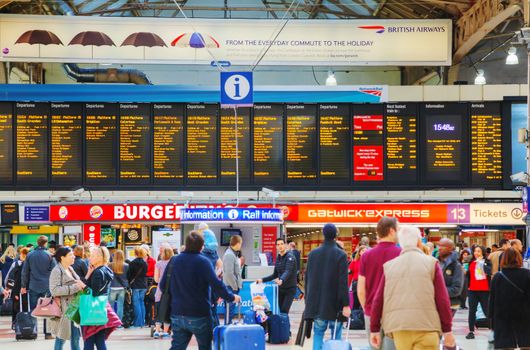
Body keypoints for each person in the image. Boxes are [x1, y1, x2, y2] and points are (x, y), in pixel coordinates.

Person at [369, 226, 455, 350]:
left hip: (400, 328)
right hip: (427, 326)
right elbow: (442, 299)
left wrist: (374, 330)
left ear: (401, 243)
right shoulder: (431, 264)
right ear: (419, 242)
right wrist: (447, 330)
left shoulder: (389, 267)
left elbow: (378, 300)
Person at [159, 231, 241, 350]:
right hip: (199, 314)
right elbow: (216, 285)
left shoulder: (174, 261)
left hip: (178, 313)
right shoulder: (203, 262)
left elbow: (162, 286)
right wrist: (232, 297)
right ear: (201, 246)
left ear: (186, 244)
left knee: (177, 347)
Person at [304, 223, 350, 350]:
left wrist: (308, 302)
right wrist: (346, 304)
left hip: (318, 305)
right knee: (336, 336)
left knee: (318, 334)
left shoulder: (313, 254)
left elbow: (308, 279)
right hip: (335, 306)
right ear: (336, 235)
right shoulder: (341, 255)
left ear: (323, 234)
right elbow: (343, 282)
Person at [358, 217, 401, 350]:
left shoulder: (366, 256)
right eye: (398, 230)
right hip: (394, 314)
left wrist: (367, 309)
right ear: (392, 231)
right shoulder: (401, 254)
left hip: (371, 313)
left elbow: (360, 289)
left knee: (374, 347)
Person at [489, 248, 530, 349]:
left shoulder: (497, 277)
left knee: (506, 346)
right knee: (526, 344)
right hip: (525, 316)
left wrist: (491, 321)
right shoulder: (527, 274)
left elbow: (492, 302)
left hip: (503, 318)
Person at [82, 246, 121, 350]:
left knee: (89, 340)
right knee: (100, 340)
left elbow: (94, 293)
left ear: (100, 257)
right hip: (102, 308)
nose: (90, 258)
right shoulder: (107, 270)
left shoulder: (97, 272)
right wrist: (89, 273)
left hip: (92, 310)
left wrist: (83, 286)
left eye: (93, 256)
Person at [49, 247, 86, 350]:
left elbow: (79, 283)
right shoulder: (56, 270)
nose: (73, 256)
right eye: (70, 255)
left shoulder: (70, 268)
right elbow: (54, 290)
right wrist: (75, 288)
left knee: (75, 338)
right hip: (64, 309)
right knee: (61, 337)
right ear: (62, 257)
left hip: (74, 308)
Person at [21, 235, 56, 339]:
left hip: (33, 286)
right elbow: (54, 272)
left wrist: (23, 286)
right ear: (45, 243)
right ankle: (48, 333)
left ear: (37, 242)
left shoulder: (30, 255)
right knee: (47, 309)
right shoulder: (50, 255)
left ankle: (33, 332)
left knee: (33, 309)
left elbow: (25, 272)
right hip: (47, 286)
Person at [257, 237, 298, 314]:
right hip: (281, 289)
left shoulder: (290, 257)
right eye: (278, 244)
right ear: (276, 246)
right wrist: (262, 280)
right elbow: (274, 275)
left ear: (285, 245)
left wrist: (281, 279)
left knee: (284, 311)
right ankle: (283, 325)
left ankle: (285, 326)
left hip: (290, 289)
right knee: (281, 311)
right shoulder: (278, 258)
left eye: (282, 244)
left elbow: (288, 271)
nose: (280, 246)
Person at [466, 245, 492, 339]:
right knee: (472, 311)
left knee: (487, 311)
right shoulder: (471, 263)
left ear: (483, 253)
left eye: (479, 251)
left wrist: (481, 263)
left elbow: (489, 272)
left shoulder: (487, 262)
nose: (476, 253)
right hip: (472, 290)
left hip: (484, 290)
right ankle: (471, 331)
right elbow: (468, 275)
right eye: (475, 251)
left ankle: (493, 331)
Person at [437, 238, 464, 317]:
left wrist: (438, 291)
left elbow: (456, 289)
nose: (439, 248)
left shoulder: (456, 266)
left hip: (450, 303)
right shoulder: (435, 262)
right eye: (439, 245)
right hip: (436, 302)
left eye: (443, 246)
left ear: (450, 248)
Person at [5, 247, 29, 326]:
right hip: (27, 289)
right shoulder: (29, 265)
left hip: (16, 289)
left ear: (21, 254)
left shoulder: (15, 264)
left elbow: (9, 277)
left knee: (15, 307)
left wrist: (7, 288)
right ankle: (27, 324)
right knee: (26, 306)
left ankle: (15, 323)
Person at [153, 246, 173, 338]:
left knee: (158, 310)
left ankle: (156, 331)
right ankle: (165, 332)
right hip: (170, 290)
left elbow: (156, 279)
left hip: (160, 290)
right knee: (168, 311)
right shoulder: (174, 264)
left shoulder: (158, 264)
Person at [222, 235, 243, 324]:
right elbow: (229, 273)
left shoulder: (231, 253)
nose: (241, 245)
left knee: (230, 309)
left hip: (231, 286)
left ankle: (228, 325)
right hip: (230, 287)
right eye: (241, 243)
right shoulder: (229, 255)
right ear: (238, 244)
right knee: (229, 309)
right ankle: (227, 327)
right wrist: (235, 286)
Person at [127, 246, 148, 328]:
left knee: (136, 303)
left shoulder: (132, 263)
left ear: (135, 253)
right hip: (143, 285)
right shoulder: (145, 263)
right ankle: (142, 321)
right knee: (142, 302)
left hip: (135, 285)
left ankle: (138, 322)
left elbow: (129, 275)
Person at [108, 250, 129, 321]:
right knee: (120, 305)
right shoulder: (126, 265)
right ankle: (119, 322)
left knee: (111, 305)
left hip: (112, 286)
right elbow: (127, 277)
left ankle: (112, 321)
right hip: (122, 287)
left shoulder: (110, 265)